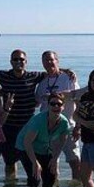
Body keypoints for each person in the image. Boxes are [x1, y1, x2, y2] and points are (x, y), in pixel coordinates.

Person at [0, 50, 46, 179]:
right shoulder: (3, 75)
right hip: (9, 127)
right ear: (11, 62)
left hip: (29, 127)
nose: (18, 62)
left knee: (32, 160)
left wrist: (67, 71)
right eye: (15, 59)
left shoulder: (33, 76)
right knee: (10, 162)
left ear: (26, 62)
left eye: (21, 59)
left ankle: (35, 186)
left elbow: (51, 71)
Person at [16, 92, 73, 187]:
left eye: (59, 104)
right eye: (53, 104)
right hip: (24, 147)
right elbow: (27, 142)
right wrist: (35, 162)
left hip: (43, 147)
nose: (56, 106)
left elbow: (62, 141)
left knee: (50, 176)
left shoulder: (64, 123)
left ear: (63, 107)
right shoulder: (38, 120)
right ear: (48, 105)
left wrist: (55, 158)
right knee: (35, 177)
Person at [35, 50, 81, 179]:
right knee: (51, 164)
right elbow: (37, 104)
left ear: (57, 61)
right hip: (48, 130)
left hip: (68, 128)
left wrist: (78, 126)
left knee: (75, 161)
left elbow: (79, 101)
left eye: (51, 59)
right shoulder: (42, 83)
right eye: (45, 60)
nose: (49, 62)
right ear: (42, 63)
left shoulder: (68, 78)